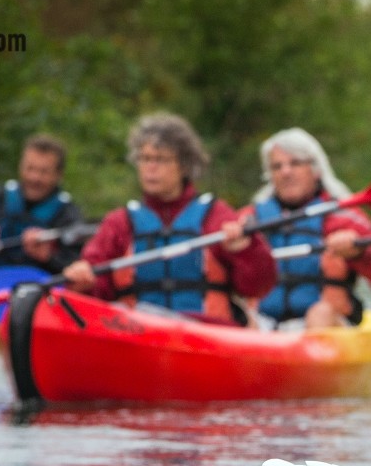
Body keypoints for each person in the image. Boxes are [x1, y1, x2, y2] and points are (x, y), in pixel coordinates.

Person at [63, 113, 274, 324]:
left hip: (204, 335)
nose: (150, 168)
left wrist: (245, 250)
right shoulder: (119, 223)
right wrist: (84, 282)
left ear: (184, 165)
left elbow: (258, 287)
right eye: (145, 159)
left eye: (161, 159)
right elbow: (98, 288)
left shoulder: (216, 216)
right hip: (139, 335)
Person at [251, 129, 371, 328]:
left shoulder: (342, 217)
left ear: (315, 170)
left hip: (330, 325)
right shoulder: (250, 220)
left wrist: (360, 252)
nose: (285, 172)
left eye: (295, 163)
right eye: (277, 166)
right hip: (264, 325)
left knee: (320, 313)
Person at [0, 133, 84, 273]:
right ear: (20, 166)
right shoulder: (2, 197)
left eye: (44, 172)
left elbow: (73, 266)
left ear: (59, 175)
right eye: (30, 168)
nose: (34, 178)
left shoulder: (68, 214)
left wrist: (48, 257)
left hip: (40, 287)